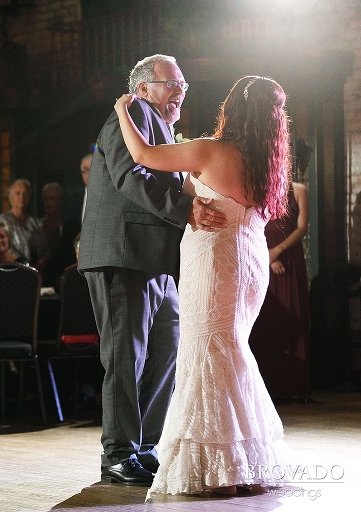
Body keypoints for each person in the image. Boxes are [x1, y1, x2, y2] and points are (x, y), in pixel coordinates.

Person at [115, 75, 293, 497]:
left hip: (214, 261)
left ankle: (217, 471)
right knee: (230, 351)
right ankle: (241, 464)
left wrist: (123, 108)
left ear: (231, 109)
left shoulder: (210, 150)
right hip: (250, 265)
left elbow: (140, 153)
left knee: (207, 352)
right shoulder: (269, 161)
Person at [78, 55, 222, 486]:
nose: (180, 90)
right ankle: (119, 454)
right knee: (126, 358)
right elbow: (129, 175)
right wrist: (186, 208)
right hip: (122, 254)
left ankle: (143, 447)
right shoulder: (134, 112)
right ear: (142, 88)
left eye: (183, 84)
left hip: (155, 260)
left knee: (166, 351)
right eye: (170, 83)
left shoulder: (160, 125)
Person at [249, 181, 311, 402]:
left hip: (289, 260)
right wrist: (266, 257)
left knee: (294, 313)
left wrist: (277, 251)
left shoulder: (299, 190)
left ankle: (294, 385)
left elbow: (302, 227)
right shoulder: (257, 188)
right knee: (266, 319)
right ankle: (267, 387)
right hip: (260, 256)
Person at [0, 178, 47, 267]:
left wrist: (41, 262)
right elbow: (3, 248)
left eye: (25, 193)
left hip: (36, 271)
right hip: (12, 270)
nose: (21, 197)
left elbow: (44, 247)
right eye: (17, 193)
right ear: (11, 197)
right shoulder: (3, 220)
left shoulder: (35, 222)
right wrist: (25, 264)